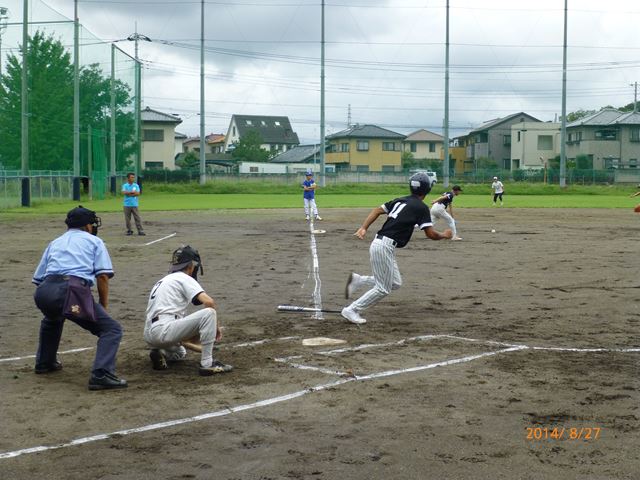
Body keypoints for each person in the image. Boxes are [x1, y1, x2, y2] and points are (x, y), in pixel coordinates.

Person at [32, 206, 127, 391]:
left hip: (43, 292)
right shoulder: (95, 241)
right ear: (87, 226)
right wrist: (103, 305)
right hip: (70, 289)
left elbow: (38, 278)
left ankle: (45, 362)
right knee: (111, 330)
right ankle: (102, 374)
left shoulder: (55, 242)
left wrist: (56, 300)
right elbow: (102, 276)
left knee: (52, 318)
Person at [341, 173, 453, 325]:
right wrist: (444, 236)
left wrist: (363, 228)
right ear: (427, 189)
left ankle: (359, 280)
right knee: (383, 288)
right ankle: (352, 309)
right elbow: (431, 234)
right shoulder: (421, 207)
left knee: (395, 283)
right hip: (384, 246)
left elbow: (376, 210)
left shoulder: (401, 200)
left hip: (381, 244)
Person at [144, 245, 233, 376]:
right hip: (164, 329)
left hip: (150, 334)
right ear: (191, 266)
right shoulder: (183, 277)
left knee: (179, 353)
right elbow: (209, 302)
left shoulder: (163, 280)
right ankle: (208, 364)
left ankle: (161, 353)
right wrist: (216, 326)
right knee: (209, 313)